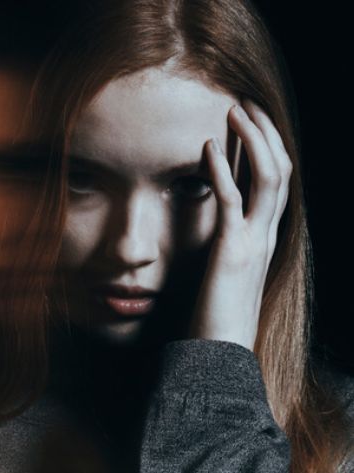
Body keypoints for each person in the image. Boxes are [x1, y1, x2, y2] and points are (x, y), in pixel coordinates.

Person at [18, 0, 353, 471]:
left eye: (192, 187)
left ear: (262, 193)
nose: (130, 248)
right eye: (82, 180)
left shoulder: (343, 439)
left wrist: (217, 370)